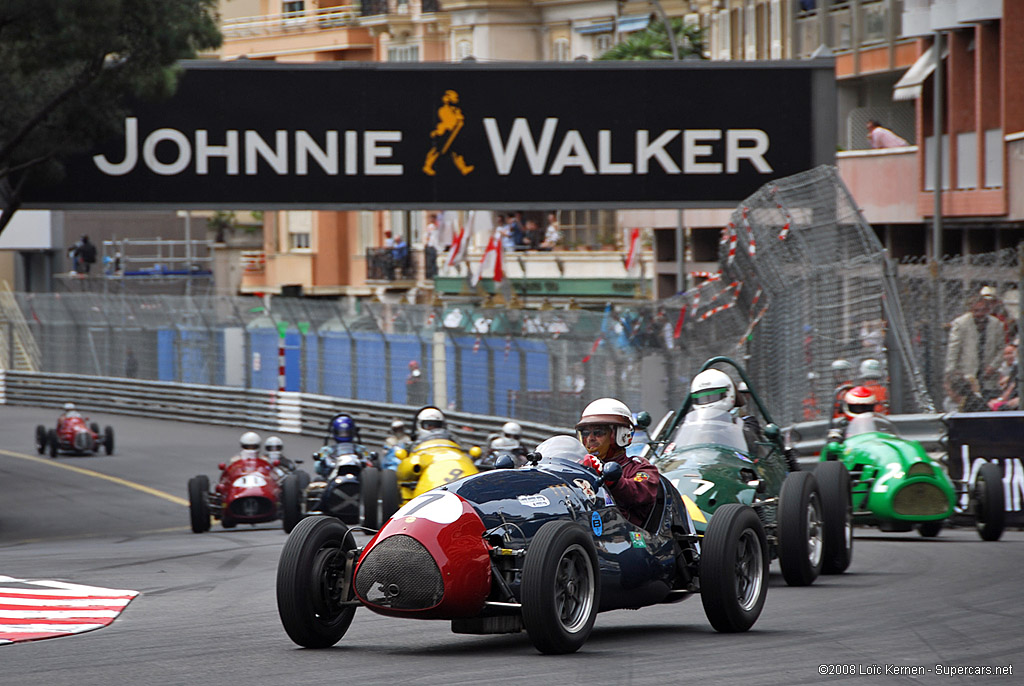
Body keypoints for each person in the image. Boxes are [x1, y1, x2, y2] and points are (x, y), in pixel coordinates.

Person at [575, 397, 659, 527]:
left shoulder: (640, 468)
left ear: (620, 435)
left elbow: (639, 493)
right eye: (585, 433)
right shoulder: (578, 466)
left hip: (628, 538)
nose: (590, 438)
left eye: (598, 432)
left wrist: (612, 481)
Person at [945, 292, 1004, 402]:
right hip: (968, 372)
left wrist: (993, 366)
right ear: (971, 310)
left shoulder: (996, 324)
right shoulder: (961, 323)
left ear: (988, 310)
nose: (980, 314)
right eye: (976, 311)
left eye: (983, 310)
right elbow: (953, 349)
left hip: (988, 374)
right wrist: (951, 373)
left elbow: (1002, 349)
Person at [988, 343, 1019, 411]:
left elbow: (1011, 388)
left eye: (1011, 353)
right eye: (1006, 354)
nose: (1009, 356)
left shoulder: (1018, 367)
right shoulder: (1004, 368)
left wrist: (1000, 400)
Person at [424, 213, 440, 279]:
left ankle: (432, 275)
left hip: (434, 246)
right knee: (431, 262)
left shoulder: (436, 227)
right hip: (431, 246)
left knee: (432, 262)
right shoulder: (431, 226)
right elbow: (428, 236)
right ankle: (431, 276)